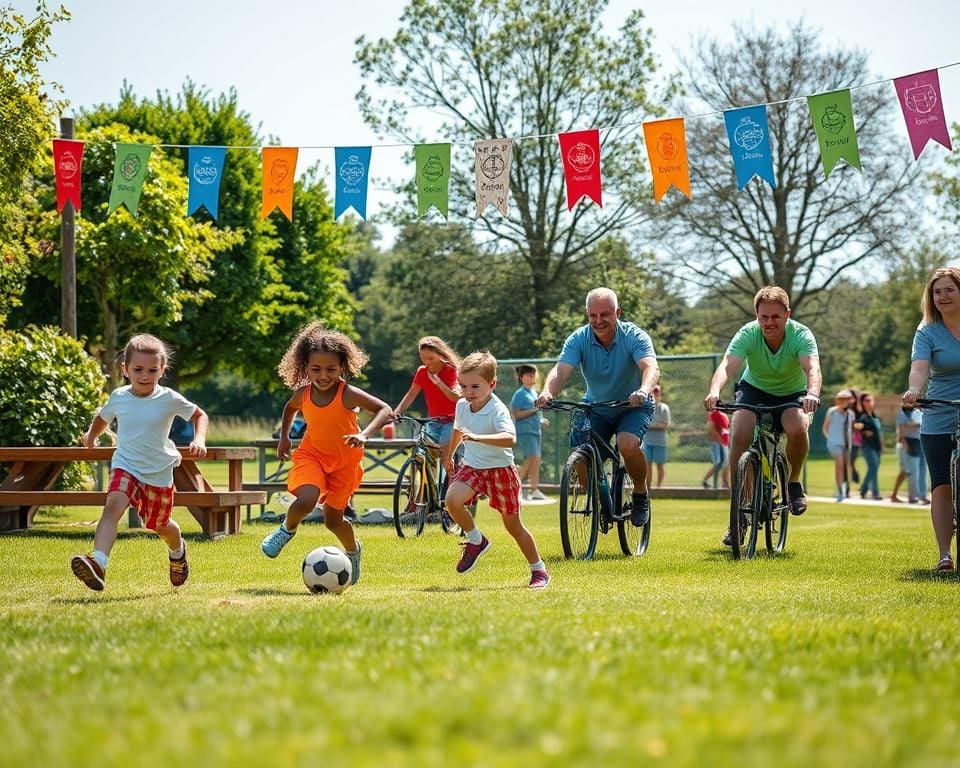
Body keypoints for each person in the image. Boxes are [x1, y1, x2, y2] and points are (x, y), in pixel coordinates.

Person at [70, 334, 209, 592]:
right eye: (138, 369)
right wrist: (91, 436)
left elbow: (199, 415)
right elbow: (103, 418)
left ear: (162, 370)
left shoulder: (169, 398)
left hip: (158, 472)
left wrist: (199, 439)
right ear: (125, 369)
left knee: (159, 525)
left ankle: (177, 552)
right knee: (113, 506)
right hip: (126, 465)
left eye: (152, 370)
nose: (145, 376)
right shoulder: (119, 396)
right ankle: (98, 563)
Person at [260, 322, 392, 584]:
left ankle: (353, 551)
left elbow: (384, 409)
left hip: (345, 463)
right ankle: (287, 530)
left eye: (331, 369)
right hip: (312, 455)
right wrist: (285, 437)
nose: (323, 375)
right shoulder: (303, 393)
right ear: (305, 368)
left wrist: (364, 434)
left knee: (333, 521)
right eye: (316, 369)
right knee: (307, 498)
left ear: (342, 368)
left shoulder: (348, 394)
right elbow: (289, 409)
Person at [704, 286, 821, 546]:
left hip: (792, 394)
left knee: (796, 427)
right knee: (740, 433)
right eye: (763, 317)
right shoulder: (748, 333)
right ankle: (738, 517)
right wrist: (714, 390)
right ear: (756, 315)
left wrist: (812, 394)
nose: (769, 323)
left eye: (775, 317)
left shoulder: (800, 334)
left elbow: (812, 367)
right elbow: (727, 365)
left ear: (787, 314)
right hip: (754, 390)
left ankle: (793, 482)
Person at [535, 287, 660, 527]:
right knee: (580, 456)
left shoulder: (635, 336)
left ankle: (640, 493)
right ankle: (601, 501)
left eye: (605, 314)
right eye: (593, 316)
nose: (598, 321)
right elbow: (561, 371)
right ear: (587, 314)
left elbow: (650, 367)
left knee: (627, 443)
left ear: (617, 312)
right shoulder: (579, 339)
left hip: (633, 405)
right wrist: (547, 392)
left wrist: (643, 390)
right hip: (596, 406)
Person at [443, 351, 550, 589]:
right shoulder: (462, 404)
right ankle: (476, 540)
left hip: (501, 470)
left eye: (475, 386)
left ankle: (539, 569)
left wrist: (478, 437)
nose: (468, 392)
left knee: (513, 525)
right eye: (463, 386)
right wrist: (449, 455)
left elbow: (509, 438)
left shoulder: (497, 409)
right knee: (452, 500)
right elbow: (459, 430)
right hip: (473, 467)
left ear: (492, 384)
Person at [902, 266, 960, 573]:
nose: (943, 296)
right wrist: (914, 388)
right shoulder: (927, 331)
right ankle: (944, 554)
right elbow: (920, 367)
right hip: (939, 412)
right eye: (937, 292)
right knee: (940, 484)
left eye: (950, 289)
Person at [392, 336, 461, 468]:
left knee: (447, 461)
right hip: (433, 420)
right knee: (422, 451)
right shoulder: (422, 372)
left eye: (430, 358)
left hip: (453, 421)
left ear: (441, 355)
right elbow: (411, 395)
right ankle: (423, 484)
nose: (427, 362)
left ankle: (447, 486)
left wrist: (438, 382)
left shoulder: (451, 370)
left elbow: (455, 397)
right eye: (423, 358)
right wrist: (397, 412)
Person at [510, 364, 550, 501]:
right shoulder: (519, 394)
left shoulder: (534, 393)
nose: (532, 376)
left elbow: (536, 414)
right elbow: (516, 414)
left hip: (535, 431)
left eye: (533, 373)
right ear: (521, 378)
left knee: (535, 459)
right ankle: (515, 487)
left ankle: (534, 490)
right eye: (528, 374)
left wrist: (541, 420)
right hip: (525, 431)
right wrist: (534, 410)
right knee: (531, 457)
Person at [822, 389, 855, 502]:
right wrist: (830, 439)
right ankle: (840, 490)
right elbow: (825, 428)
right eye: (841, 399)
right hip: (834, 443)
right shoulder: (832, 411)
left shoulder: (850, 414)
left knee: (847, 466)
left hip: (846, 444)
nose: (843, 401)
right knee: (840, 465)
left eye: (846, 399)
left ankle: (846, 488)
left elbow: (851, 429)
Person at [854, 392, 883, 500]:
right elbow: (856, 426)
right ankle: (864, 488)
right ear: (862, 403)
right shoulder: (862, 416)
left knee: (874, 469)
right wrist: (863, 431)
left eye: (870, 400)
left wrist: (882, 444)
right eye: (866, 400)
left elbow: (879, 432)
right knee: (873, 467)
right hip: (867, 446)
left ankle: (875, 493)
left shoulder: (874, 416)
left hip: (877, 447)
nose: (869, 402)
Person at [891, 405, 923, 504]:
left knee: (906, 472)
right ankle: (912, 497)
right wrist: (904, 443)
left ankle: (894, 495)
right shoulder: (903, 412)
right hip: (907, 443)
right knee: (912, 472)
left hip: (916, 443)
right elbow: (901, 430)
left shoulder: (917, 411)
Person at [642, 385, 671, 488]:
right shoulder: (647, 407)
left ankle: (659, 488)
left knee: (660, 465)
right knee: (647, 465)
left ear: (660, 395)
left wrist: (651, 425)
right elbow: (643, 423)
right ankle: (648, 487)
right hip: (648, 441)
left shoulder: (664, 408)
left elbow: (666, 425)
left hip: (660, 441)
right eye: (653, 393)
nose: (655, 395)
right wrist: (656, 425)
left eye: (657, 393)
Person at [702, 408, 731, 490]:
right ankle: (708, 481)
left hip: (723, 443)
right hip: (718, 443)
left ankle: (725, 483)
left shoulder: (722, 415)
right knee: (720, 463)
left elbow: (726, 430)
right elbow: (713, 430)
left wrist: (727, 442)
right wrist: (722, 442)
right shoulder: (715, 414)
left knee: (725, 463)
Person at [848, 388, 863, 485]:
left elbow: (860, 422)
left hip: (855, 440)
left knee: (851, 461)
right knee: (848, 463)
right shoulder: (845, 408)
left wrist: (857, 397)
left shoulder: (857, 409)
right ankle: (851, 478)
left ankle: (854, 475)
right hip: (845, 439)